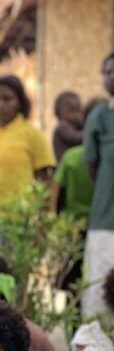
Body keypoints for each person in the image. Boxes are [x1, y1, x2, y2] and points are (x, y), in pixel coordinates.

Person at [0, 75, 55, 215]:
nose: (0, 104)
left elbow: (44, 179)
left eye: (7, 99)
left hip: (20, 215)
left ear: (19, 102)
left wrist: (42, 216)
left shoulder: (32, 134)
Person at [82, 53, 114, 320]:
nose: (111, 76)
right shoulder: (100, 116)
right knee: (100, 288)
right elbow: (92, 167)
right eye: (107, 71)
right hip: (106, 217)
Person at [52, 90, 85, 162]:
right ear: (59, 114)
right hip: (65, 165)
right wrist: (89, 133)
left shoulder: (76, 126)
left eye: (78, 111)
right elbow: (74, 138)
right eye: (72, 111)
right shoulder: (62, 127)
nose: (76, 115)